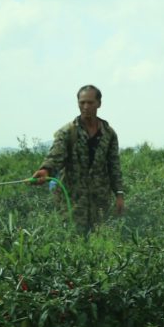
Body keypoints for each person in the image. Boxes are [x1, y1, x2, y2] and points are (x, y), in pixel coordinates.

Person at [31, 85, 124, 233]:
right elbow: (56, 155)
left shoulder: (109, 134)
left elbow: (114, 166)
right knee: (72, 242)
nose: (85, 106)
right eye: (82, 103)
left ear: (99, 103)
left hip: (100, 201)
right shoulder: (68, 131)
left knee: (99, 242)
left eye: (90, 102)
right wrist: (46, 170)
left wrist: (119, 194)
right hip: (72, 202)